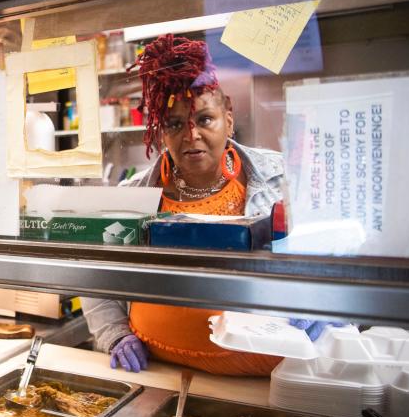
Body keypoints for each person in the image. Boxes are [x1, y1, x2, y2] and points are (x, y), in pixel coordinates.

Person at [83, 34, 339, 376]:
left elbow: (340, 253)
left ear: (228, 118)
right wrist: (114, 335)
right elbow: (93, 276)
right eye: (175, 124)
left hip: (270, 382)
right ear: (160, 132)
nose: (191, 136)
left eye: (204, 119)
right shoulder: (131, 196)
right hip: (161, 379)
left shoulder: (283, 179)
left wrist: (321, 309)